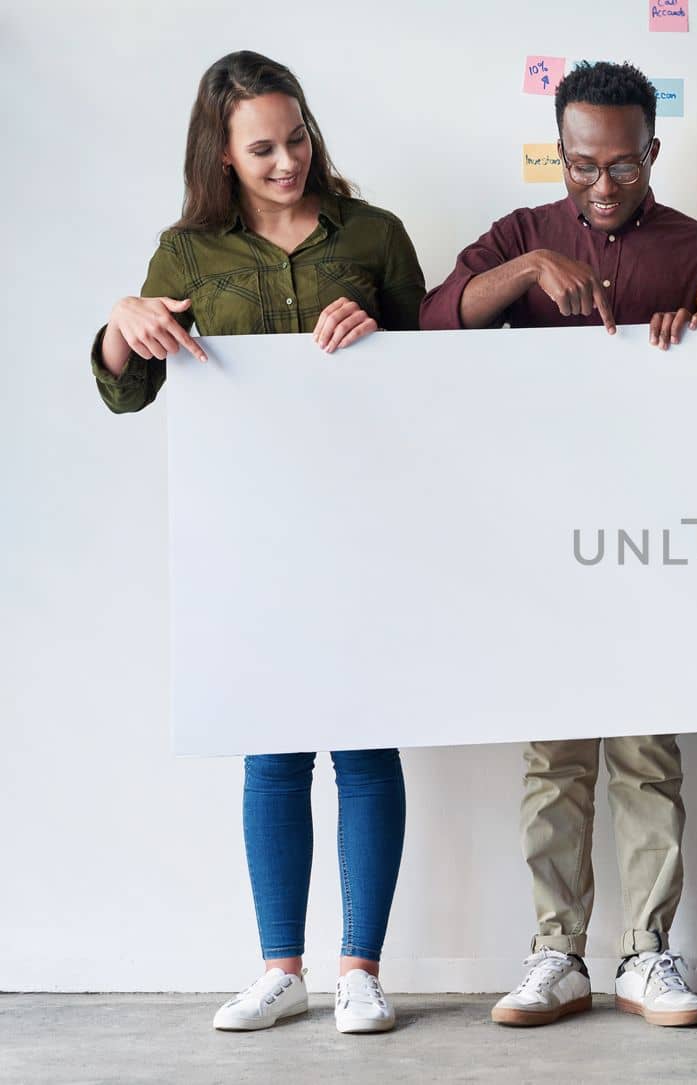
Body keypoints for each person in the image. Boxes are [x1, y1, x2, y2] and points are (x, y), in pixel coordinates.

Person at [90, 51, 425, 1034]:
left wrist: (386, 333)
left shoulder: (373, 235)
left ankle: (360, 968)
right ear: (224, 156)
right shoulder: (188, 254)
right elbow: (125, 386)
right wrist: (121, 319)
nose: (287, 161)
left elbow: (448, 377)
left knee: (365, 747)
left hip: (366, 526)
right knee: (272, 752)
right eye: (263, 148)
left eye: (298, 137)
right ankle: (281, 966)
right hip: (247, 537)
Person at [421, 61, 697, 1029]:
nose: (602, 185)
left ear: (651, 152)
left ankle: (647, 953)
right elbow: (432, 323)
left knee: (646, 750)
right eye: (582, 165)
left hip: (651, 538)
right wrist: (517, 275)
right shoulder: (519, 234)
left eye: (623, 165)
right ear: (560, 153)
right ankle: (557, 952)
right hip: (539, 538)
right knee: (554, 750)